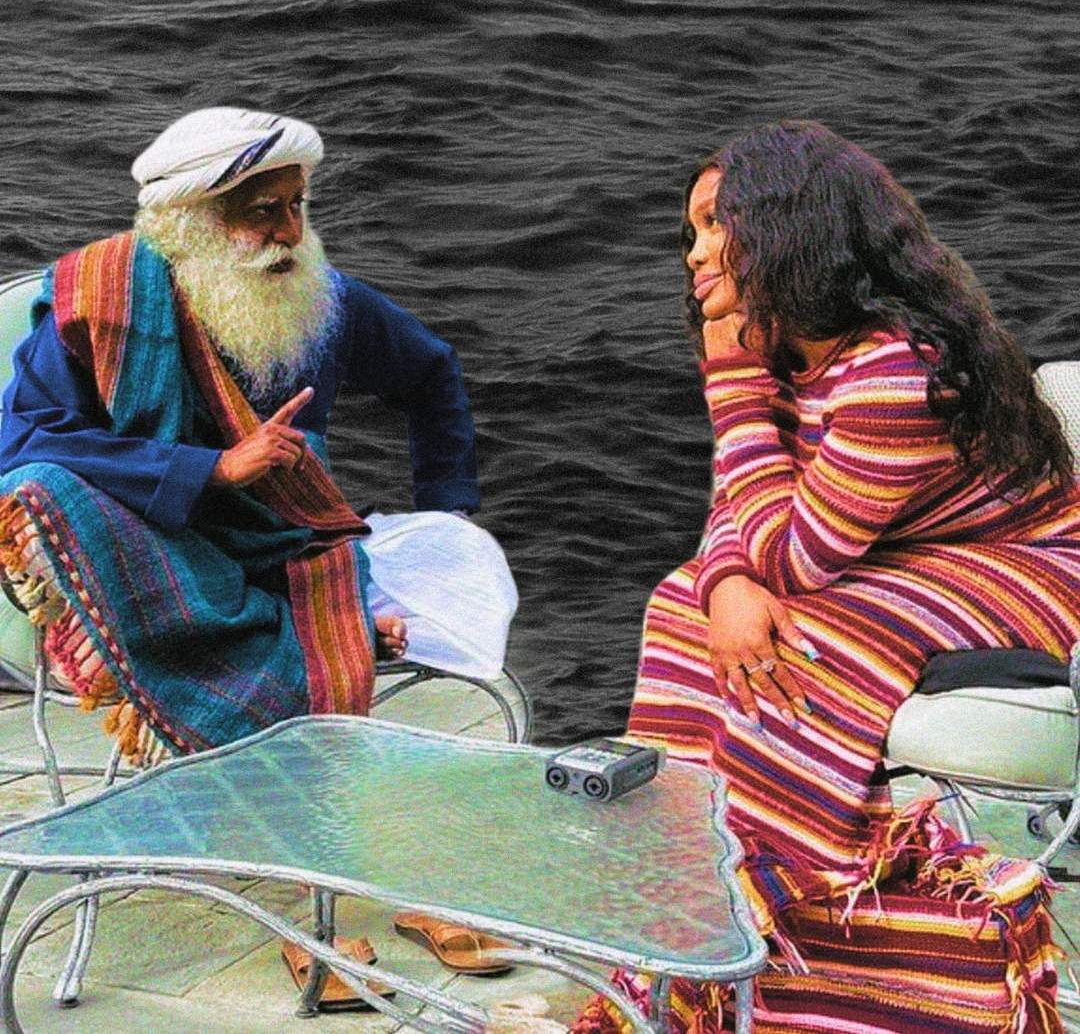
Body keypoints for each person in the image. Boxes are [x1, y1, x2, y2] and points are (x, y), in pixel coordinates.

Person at [577, 121, 1080, 1034]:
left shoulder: (897, 371)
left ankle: (777, 906)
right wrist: (725, 583)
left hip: (1029, 564)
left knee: (802, 638)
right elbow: (745, 512)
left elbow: (793, 559)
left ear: (787, 225)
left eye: (714, 225)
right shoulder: (798, 345)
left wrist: (731, 384)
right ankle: (688, 903)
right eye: (688, 232)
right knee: (685, 603)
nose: (693, 255)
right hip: (905, 552)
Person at [0, 106, 517, 767]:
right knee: (36, 488)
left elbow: (430, 373)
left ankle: (314, 631)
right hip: (157, 545)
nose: (291, 234)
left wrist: (447, 507)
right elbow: (24, 442)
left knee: (457, 559)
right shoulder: (99, 302)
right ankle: (326, 638)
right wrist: (212, 469)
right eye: (264, 213)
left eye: (297, 206)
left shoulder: (321, 296)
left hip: (286, 540)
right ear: (191, 225)